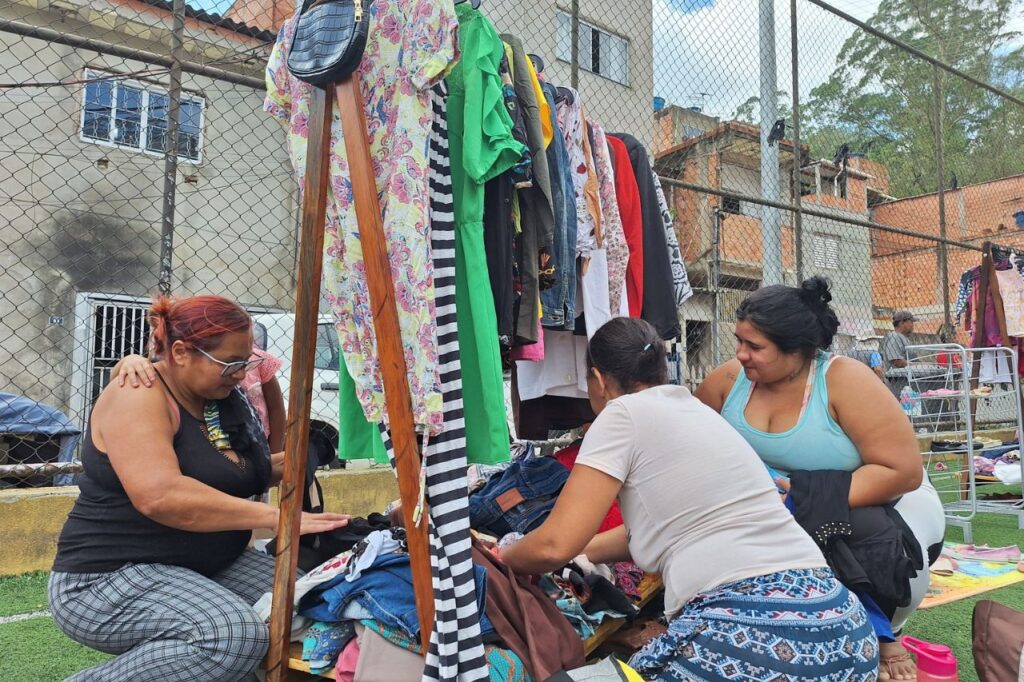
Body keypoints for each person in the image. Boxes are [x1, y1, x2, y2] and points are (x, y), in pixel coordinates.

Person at [499, 317, 879, 681]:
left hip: (755, 639)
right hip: (845, 630)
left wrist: (505, 556)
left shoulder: (621, 413)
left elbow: (553, 545)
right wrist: (585, 555)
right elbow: (677, 525)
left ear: (598, 380)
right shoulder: (700, 414)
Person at [49, 295, 349, 682]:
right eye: (232, 364)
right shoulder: (138, 394)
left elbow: (239, 470)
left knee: (318, 601)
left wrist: (309, 454)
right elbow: (162, 496)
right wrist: (282, 519)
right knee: (230, 635)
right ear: (180, 352)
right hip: (106, 577)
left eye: (246, 363)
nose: (242, 374)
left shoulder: (215, 397)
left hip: (203, 565)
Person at [695, 278, 945, 681]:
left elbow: (903, 472)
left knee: (842, 527)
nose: (741, 355)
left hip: (884, 503)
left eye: (754, 347)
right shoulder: (729, 381)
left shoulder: (845, 379)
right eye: (739, 341)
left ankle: (882, 629)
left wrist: (802, 497)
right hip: (772, 505)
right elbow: (690, 443)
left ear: (797, 349)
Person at [882, 310, 916, 397]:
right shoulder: (895, 336)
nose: (913, 325)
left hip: (905, 381)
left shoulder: (903, 337)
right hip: (897, 382)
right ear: (902, 323)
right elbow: (896, 361)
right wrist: (918, 365)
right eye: (911, 322)